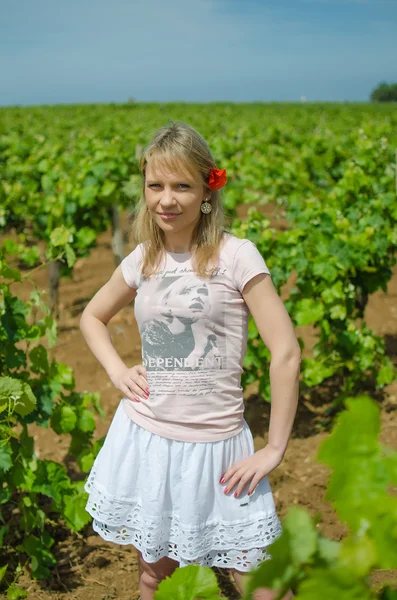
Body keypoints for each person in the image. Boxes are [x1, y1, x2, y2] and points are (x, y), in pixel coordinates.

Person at [80, 121, 300, 600]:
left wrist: (275, 448)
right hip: (149, 440)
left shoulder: (237, 256)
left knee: (259, 583)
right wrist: (119, 371)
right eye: (155, 185)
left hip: (221, 450)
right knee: (156, 576)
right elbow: (92, 317)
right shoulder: (142, 258)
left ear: (206, 189)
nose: (167, 199)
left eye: (181, 185)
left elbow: (285, 353)